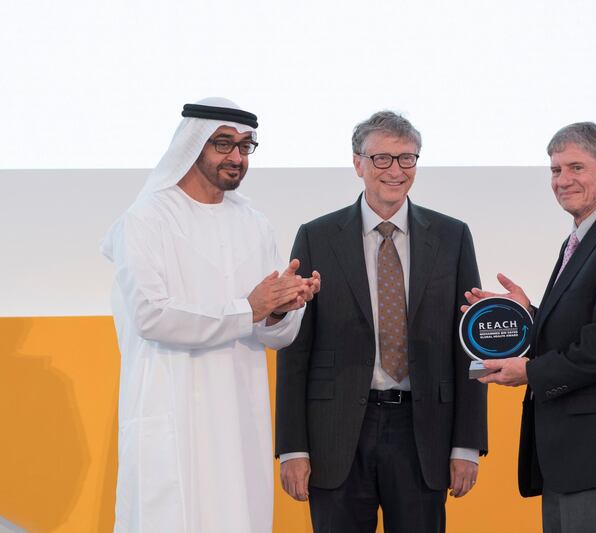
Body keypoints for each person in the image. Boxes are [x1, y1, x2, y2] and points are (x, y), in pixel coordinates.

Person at [101, 97, 320, 533]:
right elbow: (152, 317)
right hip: (173, 407)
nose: (236, 157)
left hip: (239, 417)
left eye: (245, 147)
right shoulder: (146, 219)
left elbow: (274, 336)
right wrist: (250, 308)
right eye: (223, 144)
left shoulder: (253, 223)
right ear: (193, 145)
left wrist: (281, 310)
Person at [275, 111, 487, 532]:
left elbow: (469, 344)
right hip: (335, 435)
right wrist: (292, 448)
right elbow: (295, 346)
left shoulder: (452, 236)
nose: (395, 170)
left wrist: (466, 444)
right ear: (358, 164)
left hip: (422, 432)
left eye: (406, 158)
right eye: (381, 159)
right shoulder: (317, 236)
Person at [464, 122, 596, 532]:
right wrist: (528, 313)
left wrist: (530, 371)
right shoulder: (584, 239)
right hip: (575, 459)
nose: (562, 180)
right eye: (555, 170)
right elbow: (583, 326)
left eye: (575, 168)